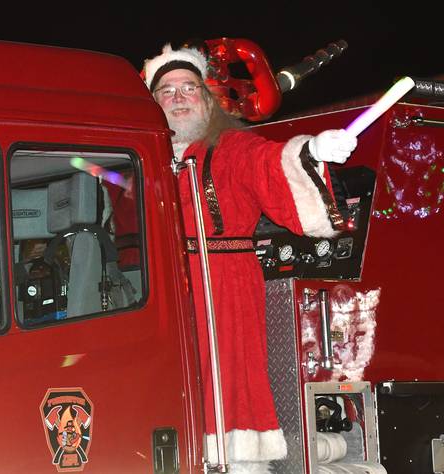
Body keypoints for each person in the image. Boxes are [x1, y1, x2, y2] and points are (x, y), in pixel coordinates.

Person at [142, 44, 357, 472]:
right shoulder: (141, 162)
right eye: (167, 91)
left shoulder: (232, 148)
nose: (180, 97)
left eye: (189, 87)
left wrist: (313, 152)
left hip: (225, 284)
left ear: (207, 98)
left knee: (231, 383)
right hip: (161, 291)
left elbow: (268, 162)